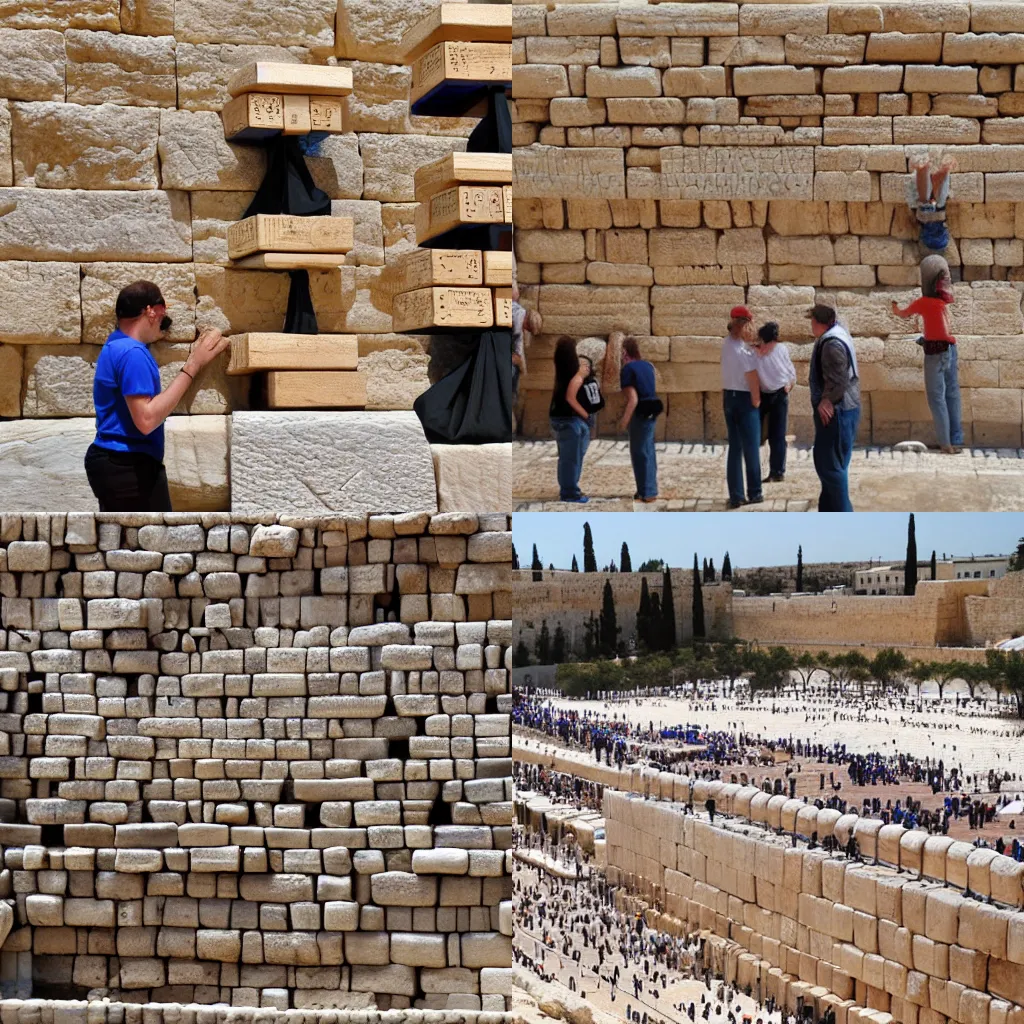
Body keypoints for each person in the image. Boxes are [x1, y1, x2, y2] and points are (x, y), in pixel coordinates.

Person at [84, 281, 229, 512]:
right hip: (129, 467)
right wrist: (194, 364)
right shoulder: (133, 354)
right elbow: (146, 420)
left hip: (112, 463)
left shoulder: (115, 344)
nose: (166, 316)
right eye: (163, 309)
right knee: (158, 544)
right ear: (151, 310)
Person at [892, 255, 962, 454]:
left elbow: (902, 314)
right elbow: (942, 329)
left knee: (936, 398)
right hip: (950, 349)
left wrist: (894, 308)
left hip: (935, 352)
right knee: (952, 394)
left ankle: (945, 443)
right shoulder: (941, 304)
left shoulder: (923, 302)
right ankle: (956, 438)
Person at [807, 304, 860, 512]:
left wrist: (826, 401)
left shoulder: (831, 345)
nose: (811, 326)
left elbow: (839, 381)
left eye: (813, 322)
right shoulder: (839, 333)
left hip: (837, 413)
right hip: (847, 410)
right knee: (834, 466)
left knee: (830, 468)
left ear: (821, 323)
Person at [721, 306, 762, 509]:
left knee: (735, 448)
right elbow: (752, 376)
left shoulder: (727, 344)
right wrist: (756, 399)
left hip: (729, 397)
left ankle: (736, 495)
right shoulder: (744, 351)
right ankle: (755, 493)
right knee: (751, 446)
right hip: (745, 398)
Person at [549, 336, 592, 503]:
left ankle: (571, 487)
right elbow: (571, 396)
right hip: (567, 419)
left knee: (571, 456)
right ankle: (569, 493)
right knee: (570, 458)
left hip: (564, 418)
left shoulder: (562, 366)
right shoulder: (572, 371)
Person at [618, 336, 660, 503]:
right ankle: (649, 489)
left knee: (639, 452)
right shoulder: (648, 365)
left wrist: (624, 421)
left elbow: (633, 399)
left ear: (624, 353)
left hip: (640, 412)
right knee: (648, 450)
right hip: (653, 408)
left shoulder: (628, 370)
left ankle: (647, 492)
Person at [752, 321, 796, 483]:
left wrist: (790, 383)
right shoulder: (755, 354)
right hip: (762, 395)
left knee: (777, 436)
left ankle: (777, 472)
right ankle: (753, 471)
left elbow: (790, 370)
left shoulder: (781, 349)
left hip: (779, 395)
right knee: (755, 434)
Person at [906, 154, 954, 253]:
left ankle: (939, 174)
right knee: (926, 201)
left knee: (938, 201)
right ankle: (926, 172)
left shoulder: (940, 234)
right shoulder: (926, 234)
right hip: (927, 213)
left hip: (936, 212)